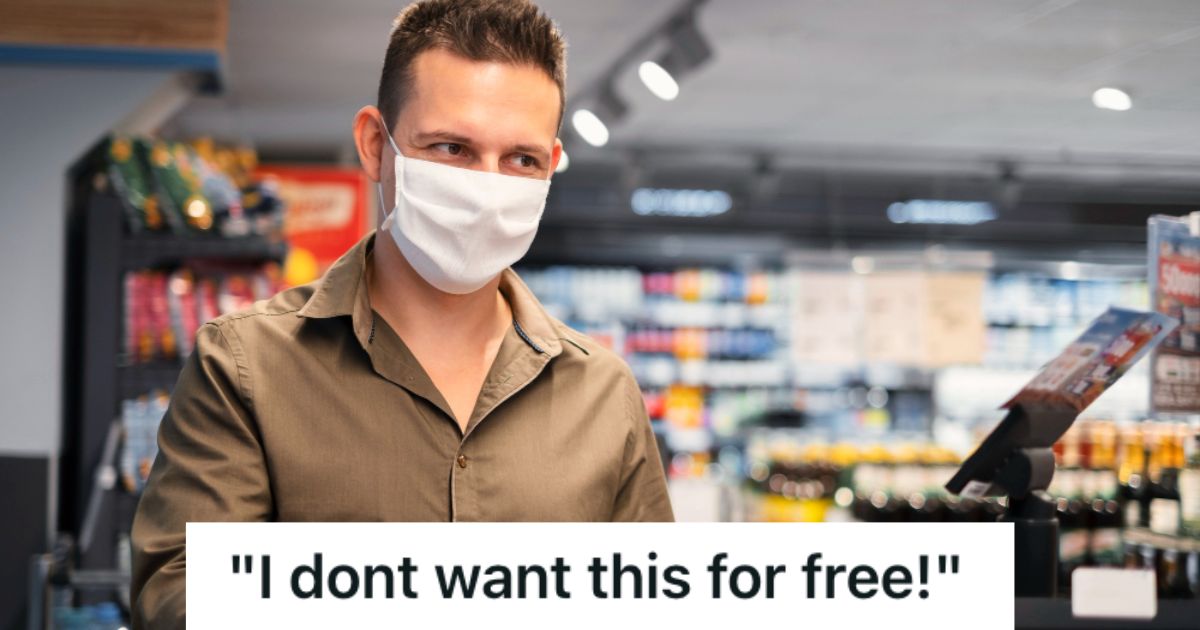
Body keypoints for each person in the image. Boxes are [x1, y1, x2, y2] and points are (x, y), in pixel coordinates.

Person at [130, 0, 674, 626]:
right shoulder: (246, 367)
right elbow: (179, 600)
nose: (487, 189)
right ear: (374, 145)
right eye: (452, 148)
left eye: (521, 160)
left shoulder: (603, 393)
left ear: (550, 166)